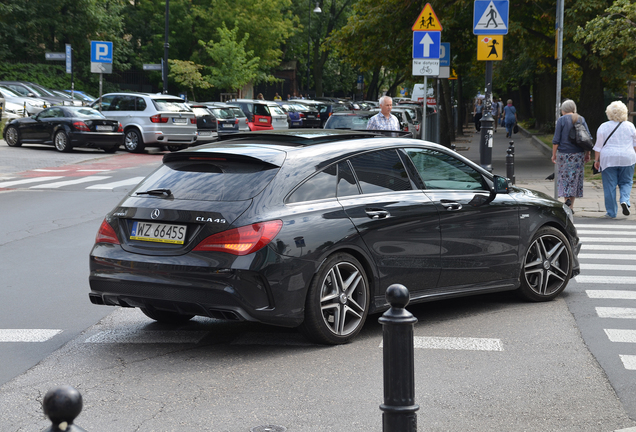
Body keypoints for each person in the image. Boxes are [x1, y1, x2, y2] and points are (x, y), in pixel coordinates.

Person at [593, 101, 636, 218]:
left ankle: (611, 212)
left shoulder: (603, 126)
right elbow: (635, 144)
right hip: (628, 158)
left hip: (608, 159)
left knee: (609, 186)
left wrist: (596, 160)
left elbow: (598, 146)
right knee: (626, 182)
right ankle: (625, 200)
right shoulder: (630, 126)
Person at [551, 99, 591, 212]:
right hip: (578, 155)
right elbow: (587, 138)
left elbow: (556, 140)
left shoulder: (561, 120)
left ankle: (567, 201)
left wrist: (554, 155)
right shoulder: (581, 119)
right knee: (574, 179)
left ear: (563, 110)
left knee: (564, 178)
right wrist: (587, 154)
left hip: (564, 155)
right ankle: (571, 206)